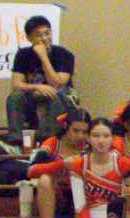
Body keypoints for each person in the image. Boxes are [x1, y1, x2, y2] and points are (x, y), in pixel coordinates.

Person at [6, 14, 78, 143]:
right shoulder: (23, 54)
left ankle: (49, 140)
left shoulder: (64, 54)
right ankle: (16, 140)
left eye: (47, 33)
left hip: (61, 95)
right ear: (29, 38)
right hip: (35, 93)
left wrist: (43, 57)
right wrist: (37, 86)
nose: (45, 38)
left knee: (57, 94)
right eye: (38, 35)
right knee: (15, 97)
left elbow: (58, 84)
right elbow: (16, 84)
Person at [28, 110, 91, 218]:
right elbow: (31, 171)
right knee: (45, 179)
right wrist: (62, 164)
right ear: (66, 127)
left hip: (84, 199)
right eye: (76, 131)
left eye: (85, 132)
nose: (80, 136)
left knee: (82, 179)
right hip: (55, 197)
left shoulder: (90, 147)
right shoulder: (53, 143)